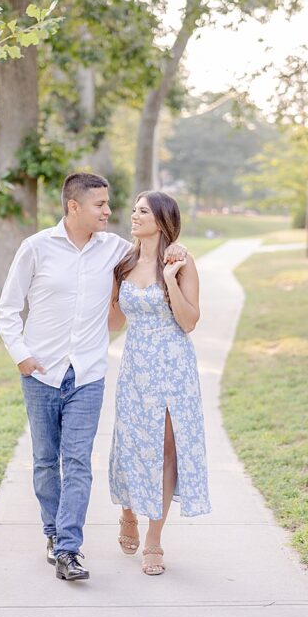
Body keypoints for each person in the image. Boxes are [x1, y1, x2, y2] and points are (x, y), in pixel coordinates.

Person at [0, 172, 186, 581]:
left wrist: (178, 246)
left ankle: (68, 548)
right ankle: (53, 532)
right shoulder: (36, 248)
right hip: (41, 373)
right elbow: (8, 308)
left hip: (87, 375)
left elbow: (153, 249)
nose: (109, 211)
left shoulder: (116, 250)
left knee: (78, 461)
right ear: (74, 206)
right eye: (101, 204)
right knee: (47, 462)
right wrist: (21, 356)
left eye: (109, 203)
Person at [107, 191, 211, 575]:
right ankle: (128, 512)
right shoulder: (123, 263)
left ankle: (154, 537)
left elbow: (189, 322)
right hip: (135, 368)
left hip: (174, 368)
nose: (134, 216)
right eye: (133, 210)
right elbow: (114, 323)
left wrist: (169, 281)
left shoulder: (181, 263)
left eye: (143, 211)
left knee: (167, 449)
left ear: (163, 220)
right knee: (132, 443)